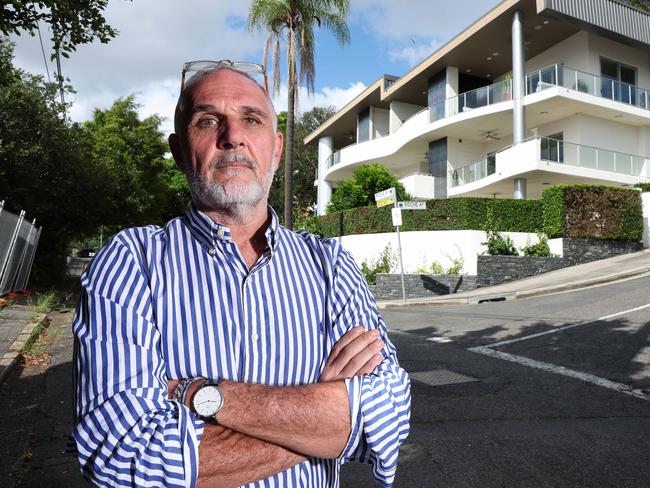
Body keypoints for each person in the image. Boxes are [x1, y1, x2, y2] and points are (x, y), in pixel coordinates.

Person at [72, 60, 411, 488]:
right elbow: (121, 456)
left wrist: (198, 395)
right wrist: (322, 421)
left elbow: (390, 411)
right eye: (208, 120)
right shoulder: (129, 262)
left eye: (251, 119)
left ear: (276, 147)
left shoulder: (331, 266)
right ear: (179, 151)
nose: (232, 137)